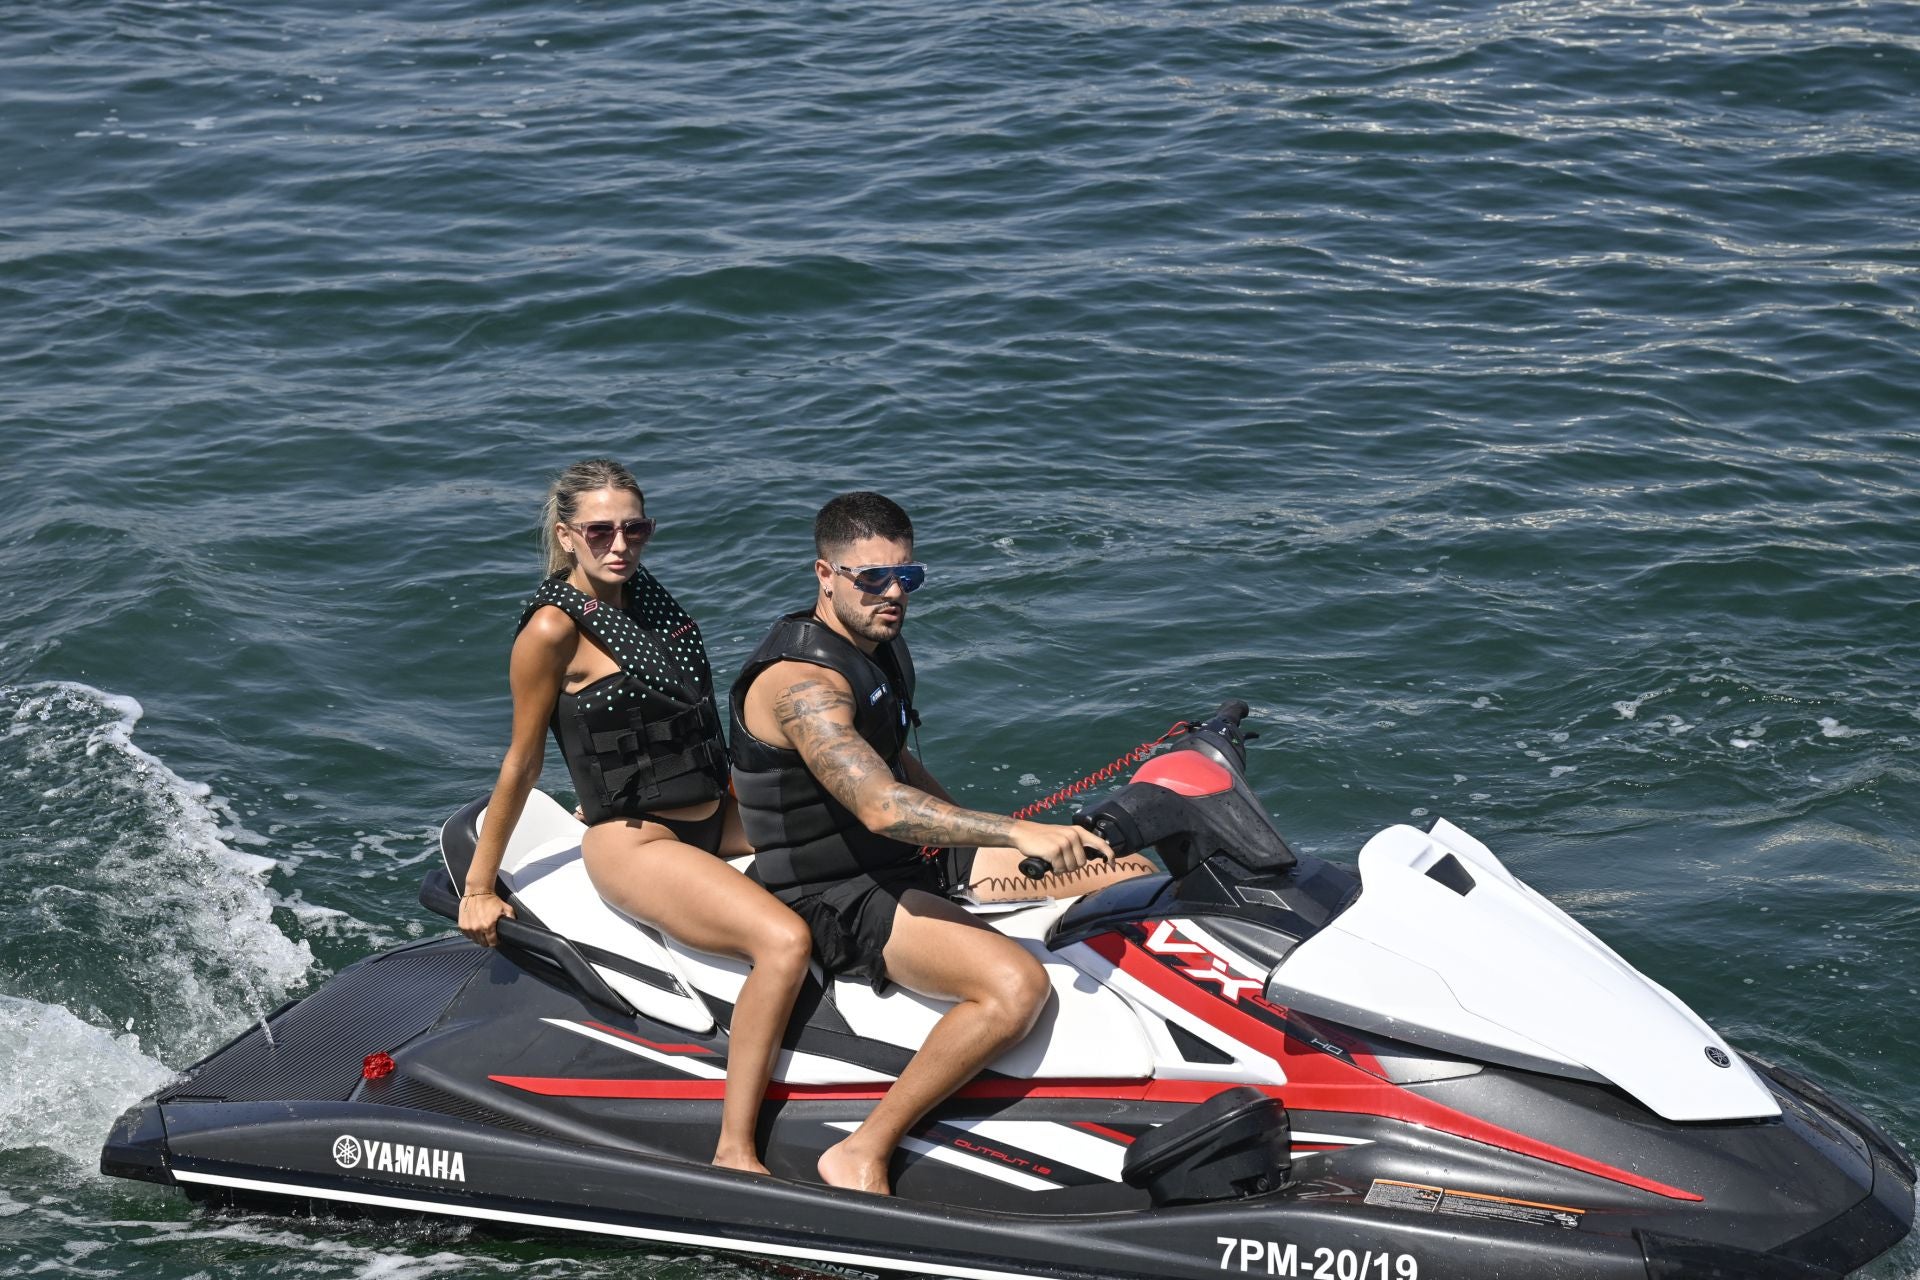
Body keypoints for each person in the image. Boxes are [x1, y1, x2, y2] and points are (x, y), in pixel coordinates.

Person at [731, 491, 1154, 1195]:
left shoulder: (877, 643)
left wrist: (969, 832)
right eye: (873, 577)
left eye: (908, 576)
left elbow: (892, 757)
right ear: (825, 575)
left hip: (903, 856)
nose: (894, 593)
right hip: (831, 889)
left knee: (1124, 870)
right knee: (1014, 987)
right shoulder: (802, 684)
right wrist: (1013, 830)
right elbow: (877, 804)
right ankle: (863, 1149)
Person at [462, 458, 812, 1176]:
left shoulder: (643, 598)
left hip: (716, 815)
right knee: (784, 942)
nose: (620, 545)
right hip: (635, 841)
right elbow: (522, 762)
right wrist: (478, 886)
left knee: (853, 834)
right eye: (600, 532)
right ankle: (734, 1149)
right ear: (567, 535)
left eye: (634, 528)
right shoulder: (552, 629)